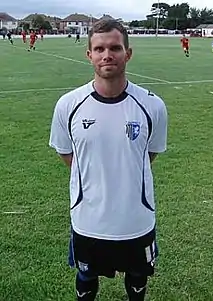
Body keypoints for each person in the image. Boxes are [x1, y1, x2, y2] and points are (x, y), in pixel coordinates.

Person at [49, 19, 167, 301]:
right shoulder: (68, 104)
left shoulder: (153, 105)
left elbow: (149, 154)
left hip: (136, 218)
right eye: (99, 48)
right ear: (89, 54)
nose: (107, 55)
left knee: (138, 277)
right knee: (86, 277)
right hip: (88, 219)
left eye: (115, 47)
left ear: (128, 53)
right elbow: (67, 153)